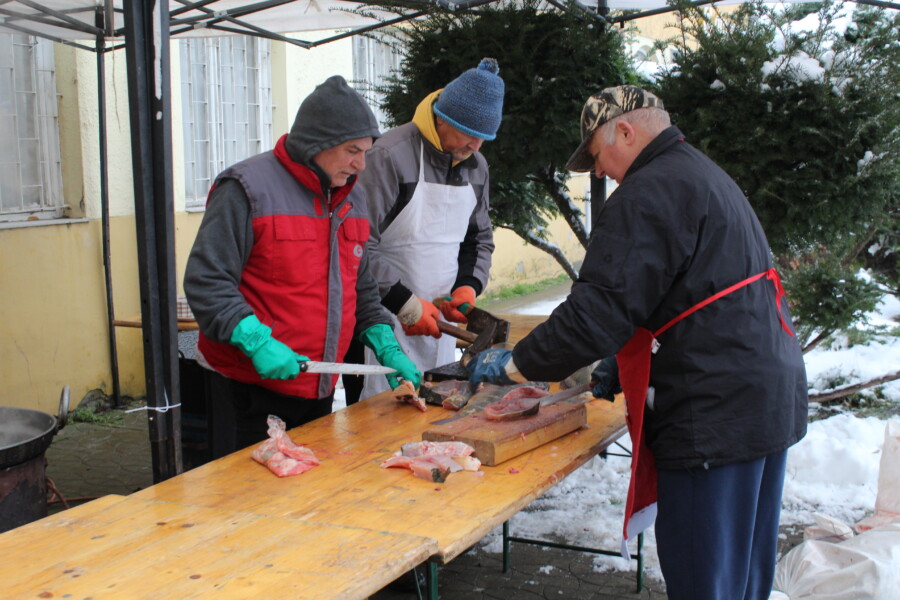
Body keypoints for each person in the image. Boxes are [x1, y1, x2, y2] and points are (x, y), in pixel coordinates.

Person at [466, 85, 808, 599]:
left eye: (599, 156)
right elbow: (683, 289)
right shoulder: (700, 173)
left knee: (705, 575)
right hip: (763, 396)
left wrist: (516, 364)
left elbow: (595, 313)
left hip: (714, 411)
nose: (600, 172)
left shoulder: (648, 191)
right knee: (742, 574)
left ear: (625, 131)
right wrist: (614, 362)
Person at [184, 75, 422, 460]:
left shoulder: (352, 197)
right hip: (246, 388)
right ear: (317, 144)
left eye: (366, 151)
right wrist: (256, 341)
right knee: (247, 508)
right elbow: (206, 280)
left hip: (317, 389)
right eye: (352, 150)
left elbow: (360, 288)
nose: (361, 164)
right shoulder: (246, 188)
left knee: (304, 503)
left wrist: (386, 344)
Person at [343, 57, 504, 404]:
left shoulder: (476, 166)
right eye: (469, 135)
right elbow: (356, 245)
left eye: (483, 139)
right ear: (443, 119)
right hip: (379, 319)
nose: (475, 147)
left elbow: (479, 239)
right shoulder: (389, 156)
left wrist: (468, 286)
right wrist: (404, 303)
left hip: (441, 326)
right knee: (377, 423)